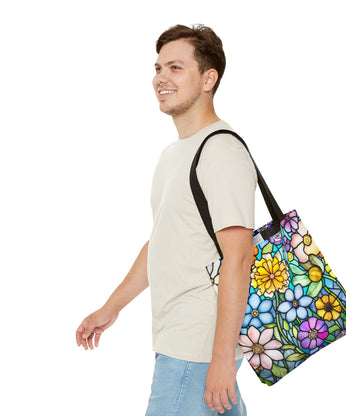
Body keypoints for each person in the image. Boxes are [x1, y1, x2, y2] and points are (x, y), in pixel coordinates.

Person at [75, 24, 257, 415]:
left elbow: (239, 257)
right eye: (158, 68)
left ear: (209, 79)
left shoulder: (221, 150)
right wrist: (112, 308)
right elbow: (162, 243)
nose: (160, 78)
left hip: (195, 351)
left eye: (175, 67)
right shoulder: (173, 155)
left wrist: (222, 359)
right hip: (181, 345)